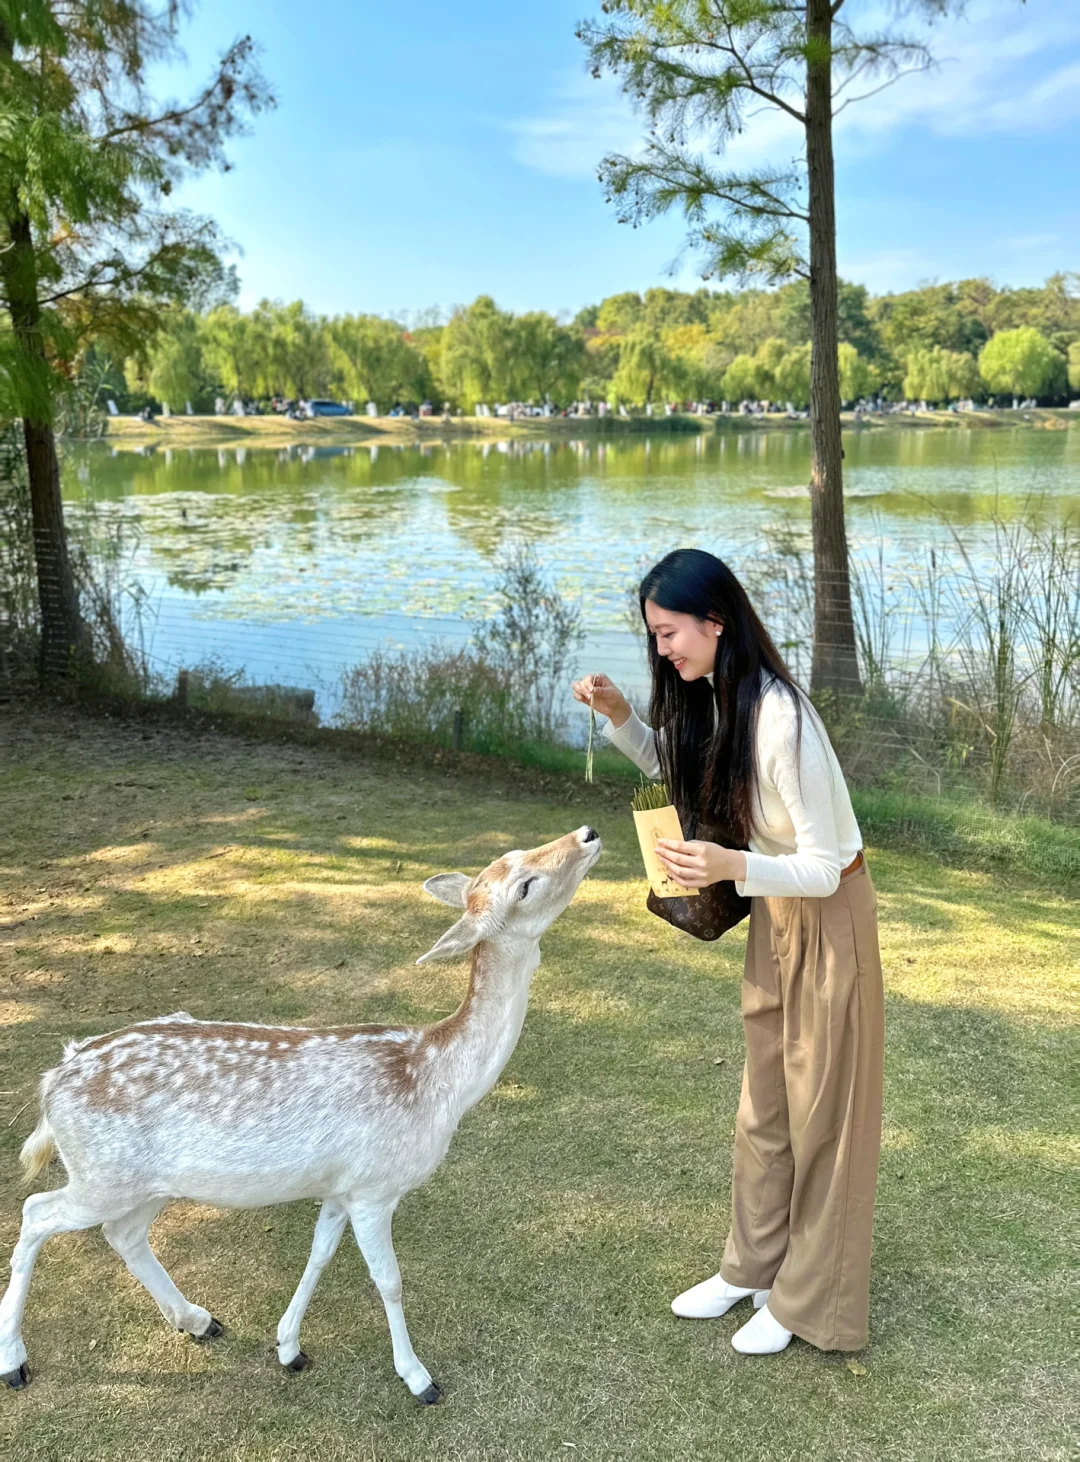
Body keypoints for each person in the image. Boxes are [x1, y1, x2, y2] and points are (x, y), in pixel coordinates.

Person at [571, 548, 885, 1356]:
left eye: (670, 633)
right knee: (766, 1108)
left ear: (716, 622)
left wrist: (732, 865)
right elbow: (681, 774)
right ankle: (752, 1267)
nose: (663, 650)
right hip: (780, 916)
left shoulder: (781, 715)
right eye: (654, 637)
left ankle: (808, 1299)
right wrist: (619, 718)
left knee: (826, 1119)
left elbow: (823, 863)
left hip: (828, 913)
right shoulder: (718, 697)